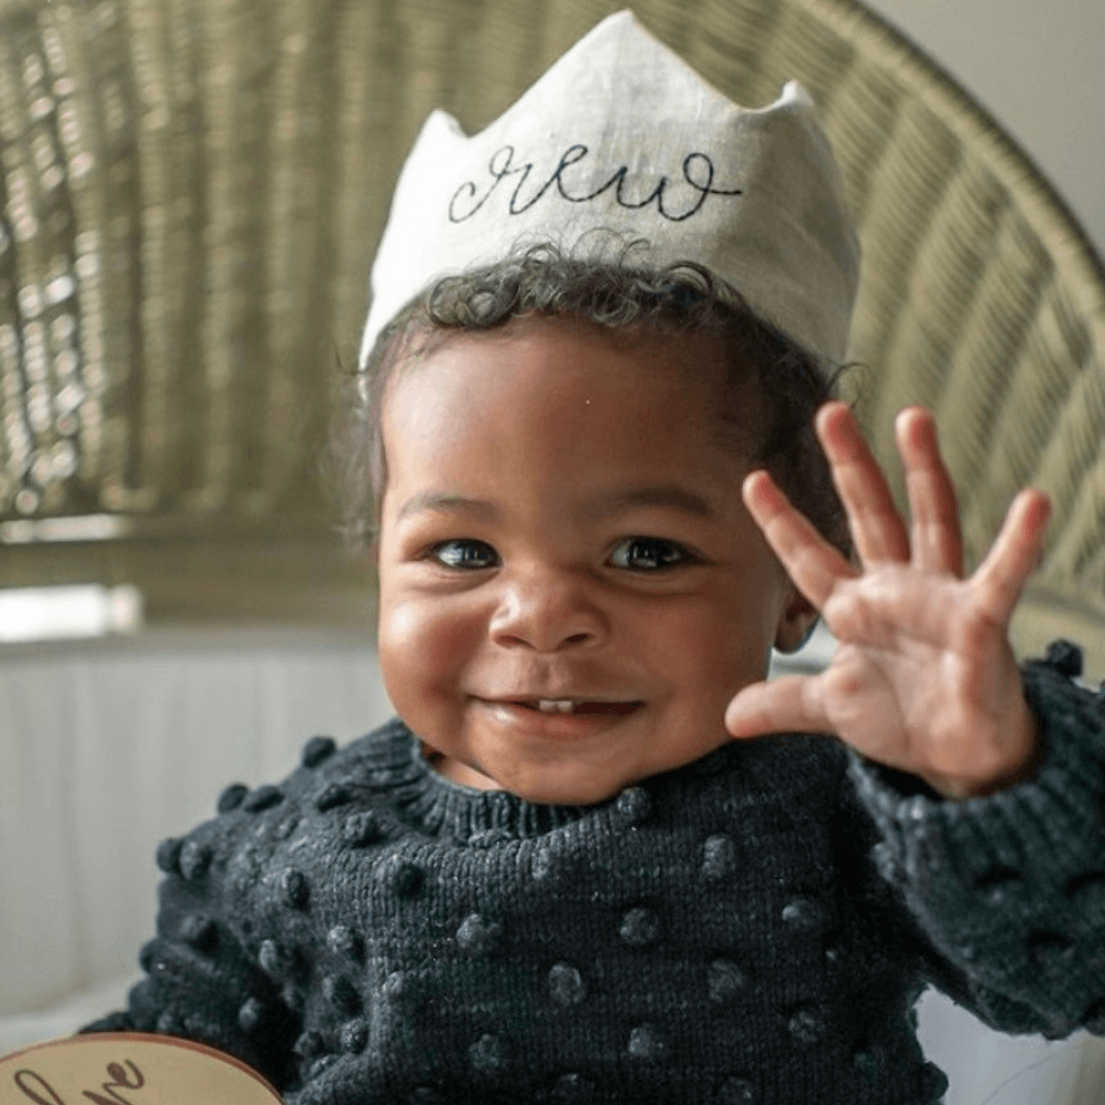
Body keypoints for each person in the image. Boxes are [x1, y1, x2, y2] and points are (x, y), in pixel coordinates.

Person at [83, 12, 1105, 1104]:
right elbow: (151, 1064)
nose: (540, 614)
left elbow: (1069, 970)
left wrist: (991, 771)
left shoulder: (850, 808)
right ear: (374, 559)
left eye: (647, 551)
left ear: (800, 585)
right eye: (463, 548)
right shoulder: (280, 849)